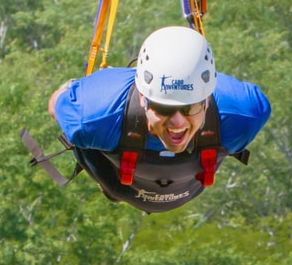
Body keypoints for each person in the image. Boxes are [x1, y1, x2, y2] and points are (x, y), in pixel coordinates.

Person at [48, 26, 271, 213]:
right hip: (137, 182)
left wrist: (69, 91)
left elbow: (56, 102)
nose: (177, 123)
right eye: (164, 107)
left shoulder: (244, 113)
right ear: (143, 99)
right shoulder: (92, 116)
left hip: (129, 184)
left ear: (206, 100)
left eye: (189, 107)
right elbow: (59, 106)